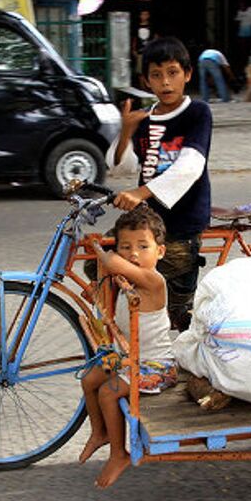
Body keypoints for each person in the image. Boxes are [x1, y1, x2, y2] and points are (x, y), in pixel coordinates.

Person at [106, 36, 212, 332]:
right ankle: (111, 332)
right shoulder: (144, 118)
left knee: (138, 280)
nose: (165, 82)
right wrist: (126, 131)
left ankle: (146, 340)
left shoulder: (197, 113)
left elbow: (191, 166)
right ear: (146, 80)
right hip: (147, 226)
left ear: (187, 74)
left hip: (180, 227)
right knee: (96, 260)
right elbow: (118, 166)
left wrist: (140, 192)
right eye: (156, 75)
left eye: (173, 72)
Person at [79, 205, 177, 488]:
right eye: (126, 246)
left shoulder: (153, 281)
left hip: (158, 366)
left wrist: (104, 249)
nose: (134, 253)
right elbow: (112, 267)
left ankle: (118, 454)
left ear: (160, 251)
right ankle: (100, 433)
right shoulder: (127, 280)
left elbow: (111, 263)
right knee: (90, 380)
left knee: (108, 394)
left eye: (143, 246)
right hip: (130, 357)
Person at [131, 9, 154, 87]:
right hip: (140, 52)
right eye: (142, 14)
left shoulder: (151, 26)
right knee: (140, 71)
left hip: (150, 51)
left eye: (146, 14)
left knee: (150, 69)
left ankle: (150, 86)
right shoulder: (137, 27)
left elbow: (156, 38)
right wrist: (134, 50)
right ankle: (143, 88)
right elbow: (134, 39)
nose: (144, 16)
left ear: (148, 15)